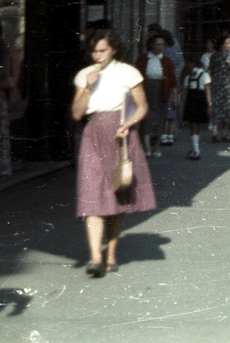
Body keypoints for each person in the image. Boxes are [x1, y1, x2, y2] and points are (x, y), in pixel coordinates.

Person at [71, 28, 156, 277]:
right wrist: (87, 88)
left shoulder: (128, 72)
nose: (98, 56)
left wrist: (129, 124)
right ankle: (96, 258)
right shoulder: (84, 74)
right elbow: (77, 114)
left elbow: (142, 107)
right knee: (91, 195)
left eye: (103, 51)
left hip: (121, 135)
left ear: (114, 49)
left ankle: (111, 254)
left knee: (118, 193)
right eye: (94, 51)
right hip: (93, 134)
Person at [139, 35, 175, 159]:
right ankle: (147, 147)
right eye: (157, 44)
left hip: (162, 90)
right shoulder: (143, 59)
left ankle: (157, 146)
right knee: (146, 118)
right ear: (151, 45)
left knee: (160, 119)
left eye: (162, 44)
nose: (160, 47)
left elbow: (172, 80)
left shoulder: (167, 61)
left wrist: (175, 97)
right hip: (146, 91)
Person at [180, 55, 211, 159]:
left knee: (195, 125)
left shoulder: (204, 75)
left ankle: (196, 150)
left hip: (199, 101)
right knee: (194, 125)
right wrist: (177, 99)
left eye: (188, 63)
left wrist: (209, 105)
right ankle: (195, 149)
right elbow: (184, 90)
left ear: (193, 63)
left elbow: (207, 91)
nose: (187, 66)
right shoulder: (188, 77)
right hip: (191, 101)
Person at [209, 35, 230, 142]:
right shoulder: (228, 56)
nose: (229, 45)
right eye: (227, 43)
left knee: (216, 107)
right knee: (227, 108)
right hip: (226, 84)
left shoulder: (213, 56)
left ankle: (215, 131)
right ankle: (224, 133)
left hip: (215, 84)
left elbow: (210, 70)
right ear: (222, 45)